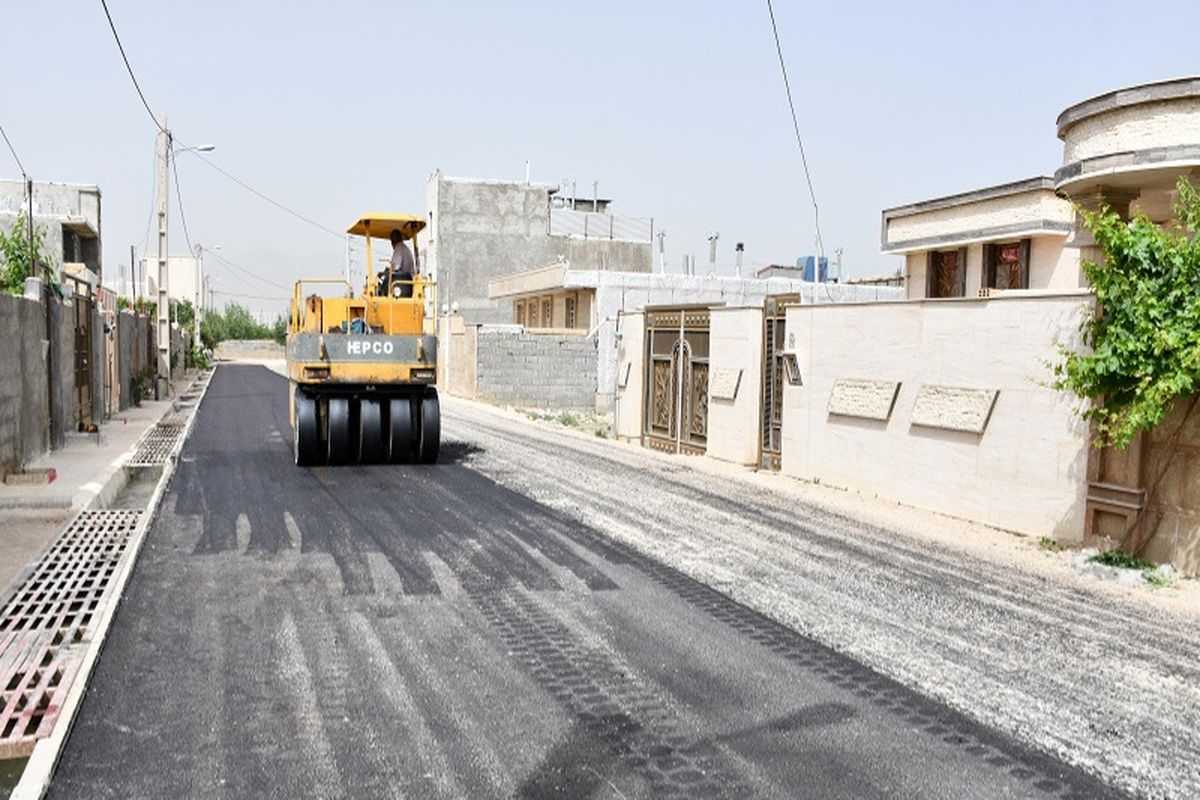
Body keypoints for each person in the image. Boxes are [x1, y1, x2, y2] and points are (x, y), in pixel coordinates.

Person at [378, 228, 416, 297]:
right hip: (409, 284)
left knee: (382, 289)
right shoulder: (406, 249)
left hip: (400, 285)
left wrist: (384, 273)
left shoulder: (399, 249)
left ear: (392, 241)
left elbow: (396, 268)